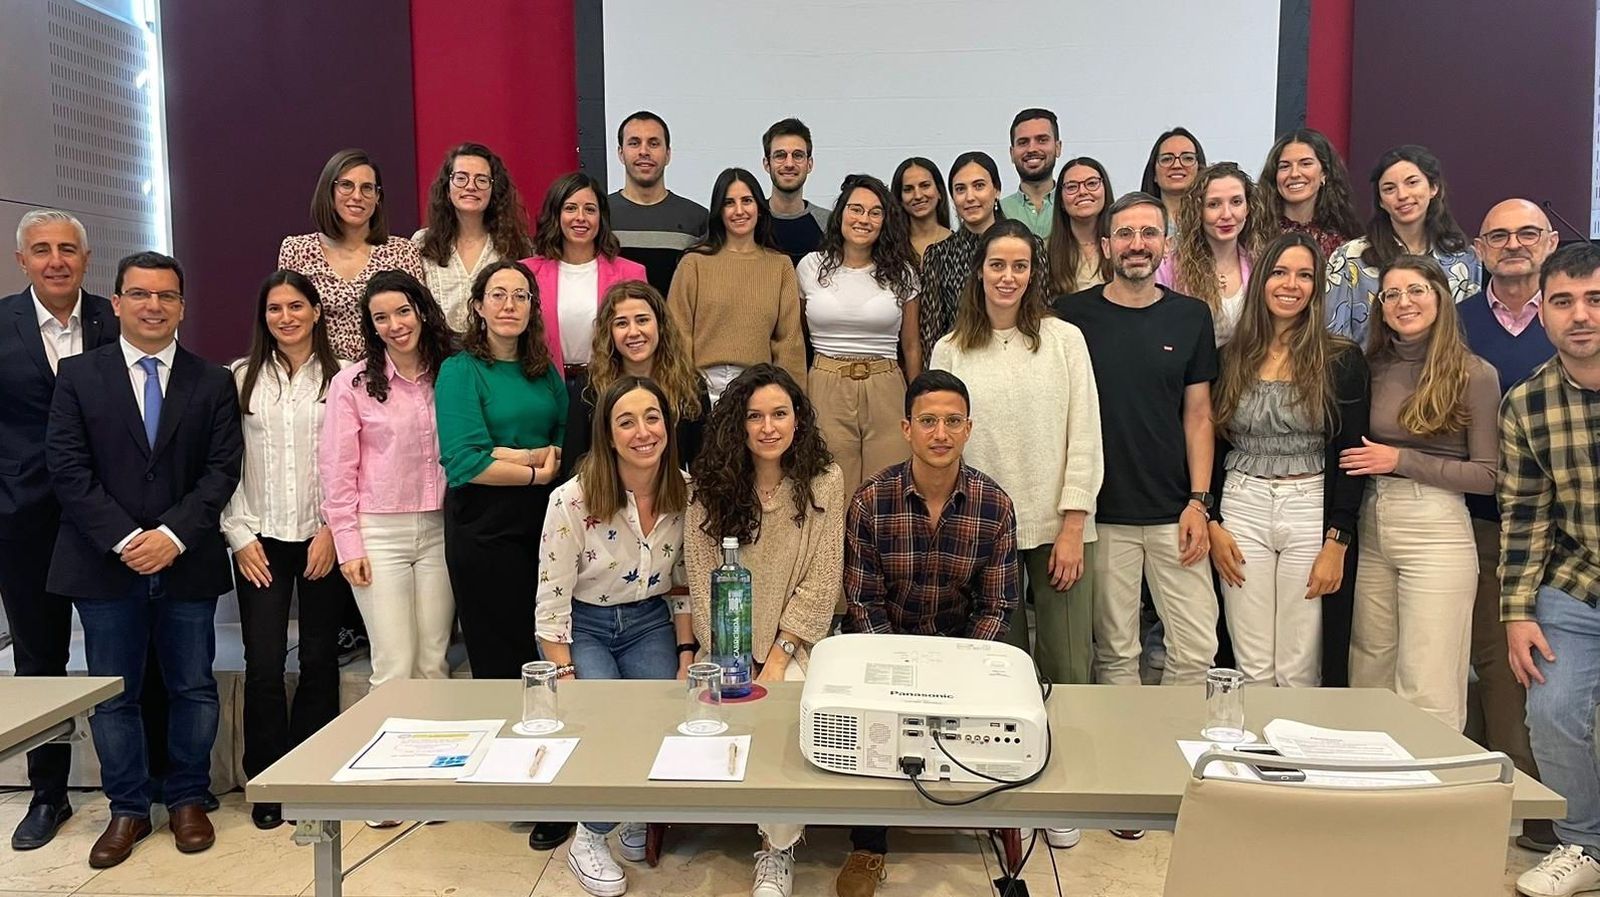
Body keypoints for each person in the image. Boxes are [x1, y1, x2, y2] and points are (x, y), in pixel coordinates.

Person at [46, 251, 243, 867]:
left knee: (193, 687)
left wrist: (173, 536)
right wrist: (128, 539)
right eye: (140, 294)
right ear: (117, 303)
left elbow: (221, 471)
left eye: (166, 296)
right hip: (105, 565)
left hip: (186, 562)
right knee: (114, 694)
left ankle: (187, 798)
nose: (153, 306)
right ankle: (127, 809)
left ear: (182, 306)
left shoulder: (211, 380)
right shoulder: (79, 376)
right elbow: (68, 469)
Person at [838, 369, 1021, 894]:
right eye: (928, 421)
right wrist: (897, 677)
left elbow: (997, 605)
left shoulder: (995, 505)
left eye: (952, 421)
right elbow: (863, 603)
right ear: (906, 428)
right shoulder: (871, 501)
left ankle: (987, 811)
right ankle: (868, 844)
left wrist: (957, 673)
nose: (940, 433)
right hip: (884, 648)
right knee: (871, 722)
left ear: (968, 429)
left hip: (963, 653)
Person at [685, 364, 844, 897]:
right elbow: (705, 583)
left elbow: (823, 581)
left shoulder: (826, 480)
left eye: (780, 413)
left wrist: (776, 657)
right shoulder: (708, 487)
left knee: (793, 709)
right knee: (701, 710)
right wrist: (736, 658)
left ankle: (776, 850)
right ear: (738, 424)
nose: (768, 426)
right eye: (755, 416)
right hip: (724, 645)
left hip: (795, 643)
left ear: (797, 418)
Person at [1054, 192, 1219, 688]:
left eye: (1148, 233)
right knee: (1116, 654)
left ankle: (1179, 750)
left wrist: (1199, 501)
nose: (1137, 244)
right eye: (1125, 234)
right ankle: (1127, 762)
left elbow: (1199, 416)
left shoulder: (1191, 317)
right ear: (1106, 246)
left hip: (1176, 512)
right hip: (1104, 516)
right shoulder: (1070, 316)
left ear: (1166, 245)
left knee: (1196, 649)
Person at [931, 217, 1102, 691]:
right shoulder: (950, 349)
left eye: (1020, 266)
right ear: (979, 271)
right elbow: (942, 447)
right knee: (1000, 672)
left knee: (1068, 669)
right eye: (998, 265)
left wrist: (1072, 524)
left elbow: (1084, 434)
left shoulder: (1065, 340)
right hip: (984, 531)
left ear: (1033, 274)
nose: (1008, 277)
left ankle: (1077, 763)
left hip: (1059, 529)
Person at [536, 376, 691, 897]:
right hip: (587, 625)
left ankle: (628, 809)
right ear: (607, 432)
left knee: (659, 717)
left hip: (650, 619)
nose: (642, 431)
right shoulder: (572, 500)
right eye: (626, 421)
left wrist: (687, 649)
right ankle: (590, 833)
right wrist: (564, 673)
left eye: (652, 418)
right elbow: (551, 602)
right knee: (602, 722)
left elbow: (687, 581)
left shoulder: (686, 491)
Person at [1, 209, 118, 850]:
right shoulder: (0, 324)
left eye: (67, 249)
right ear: (22, 260)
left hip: (106, 520)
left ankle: (134, 787)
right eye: (41, 250)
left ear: (86, 256)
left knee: (119, 655)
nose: (56, 260)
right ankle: (49, 795)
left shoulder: (116, 317)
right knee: (38, 661)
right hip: (25, 522)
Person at [1340, 255, 1499, 730]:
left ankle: (1431, 793)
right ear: (1381, 307)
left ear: (1440, 298)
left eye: (1416, 291)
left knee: (1429, 676)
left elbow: (1488, 475)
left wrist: (1401, 460)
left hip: (1436, 526)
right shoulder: (1369, 366)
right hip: (1374, 518)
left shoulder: (1474, 374)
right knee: (1370, 665)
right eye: (1392, 294)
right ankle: (1371, 788)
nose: (1403, 302)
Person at [1206, 233, 1369, 688]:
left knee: (1299, 667)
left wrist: (1338, 540)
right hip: (1243, 505)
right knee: (1251, 665)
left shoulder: (1341, 358)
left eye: (1304, 275)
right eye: (1279, 272)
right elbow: (1212, 443)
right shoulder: (1229, 357)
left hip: (1309, 504)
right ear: (1261, 281)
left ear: (1318, 287)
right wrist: (1213, 521)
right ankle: (1252, 760)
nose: (1290, 284)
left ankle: (1297, 760)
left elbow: (1352, 455)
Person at [221, 270, 350, 831]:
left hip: (321, 535)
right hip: (259, 538)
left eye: (296, 306)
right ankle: (267, 777)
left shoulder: (343, 378)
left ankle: (311, 771)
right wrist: (239, 535)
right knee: (265, 661)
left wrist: (332, 529)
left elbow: (349, 462)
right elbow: (223, 463)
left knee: (321, 658)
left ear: (317, 312)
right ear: (263, 316)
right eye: (275, 308)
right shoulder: (239, 378)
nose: (286, 317)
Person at [1461, 199, 1561, 852]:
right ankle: (1528, 804)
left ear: (1551, 241)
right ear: (1479, 248)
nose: (1514, 244)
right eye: (1499, 235)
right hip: (1490, 521)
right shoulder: (1461, 321)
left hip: (1576, 524)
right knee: (1505, 663)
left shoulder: (1577, 311)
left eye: (1528, 233)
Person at [1502, 244, 1600, 897]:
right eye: (1563, 301)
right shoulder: (1528, 403)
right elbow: (1526, 517)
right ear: (1543, 314)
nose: (1581, 315)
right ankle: (1586, 844)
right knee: (1553, 706)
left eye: (1595, 298)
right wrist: (1517, 612)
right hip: (1579, 581)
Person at [319, 271, 457, 689]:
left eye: (403, 311)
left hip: (440, 529)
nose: (395, 326)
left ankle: (440, 753)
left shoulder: (451, 374)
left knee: (433, 662)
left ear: (421, 311)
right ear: (371, 325)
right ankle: (391, 753)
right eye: (381, 318)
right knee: (395, 666)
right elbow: (337, 470)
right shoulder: (352, 383)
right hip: (379, 533)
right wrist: (348, 546)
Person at [436, 260, 564, 682]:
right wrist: (532, 467)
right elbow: (466, 462)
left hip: (545, 525)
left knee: (546, 645)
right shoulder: (460, 370)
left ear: (532, 308)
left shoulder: (544, 371)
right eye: (498, 295)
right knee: (500, 657)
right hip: (483, 527)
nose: (509, 305)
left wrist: (505, 453)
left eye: (520, 296)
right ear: (478, 307)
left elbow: (563, 444)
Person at [799, 173, 921, 493]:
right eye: (856, 209)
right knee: (828, 488)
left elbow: (910, 346)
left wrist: (916, 402)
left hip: (886, 386)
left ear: (885, 221)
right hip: (826, 385)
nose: (863, 219)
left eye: (874, 212)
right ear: (840, 214)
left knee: (889, 489)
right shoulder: (810, 267)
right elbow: (795, 338)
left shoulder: (902, 273)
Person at [666, 168, 805, 402]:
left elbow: (789, 343)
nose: (739, 210)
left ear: (760, 208)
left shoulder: (780, 266)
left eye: (747, 201)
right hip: (699, 388)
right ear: (719, 210)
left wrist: (792, 400)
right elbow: (678, 334)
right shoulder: (694, 263)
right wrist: (681, 392)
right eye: (729, 202)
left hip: (759, 390)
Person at [1325, 144, 1482, 344]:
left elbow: (1469, 335)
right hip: (1368, 373)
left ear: (1434, 188)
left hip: (1445, 371)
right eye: (1389, 188)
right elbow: (1334, 338)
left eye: (1412, 182)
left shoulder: (1465, 257)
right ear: (1380, 201)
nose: (1402, 195)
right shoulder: (1350, 257)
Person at [278, 148, 425, 360]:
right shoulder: (297, 250)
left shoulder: (403, 251)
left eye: (367, 188)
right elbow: (287, 322)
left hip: (386, 377)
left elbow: (418, 322)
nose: (357, 196)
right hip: (318, 378)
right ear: (329, 191)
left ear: (377, 198)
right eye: (346, 185)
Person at [520, 172, 647, 400]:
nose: (581, 217)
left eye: (590, 209)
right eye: (570, 208)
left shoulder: (630, 273)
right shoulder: (526, 273)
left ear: (601, 217)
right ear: (556, 214)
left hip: (610, 388)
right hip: (541, 388)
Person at [564, 280, 710, 476]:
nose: (633, 332)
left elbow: (702, 463)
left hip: (671, 496)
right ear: (609, 332)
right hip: (607, 498)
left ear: (660, 325)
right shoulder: (589, 387)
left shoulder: (691, 385)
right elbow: (574, 462)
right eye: (622, 323)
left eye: (642, 320)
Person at [917, 151, 1048, 364]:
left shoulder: (1030, 247)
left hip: (1025, 361)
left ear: (996, 190)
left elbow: (1040, 313)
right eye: (960, 189)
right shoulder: (939, 255)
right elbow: (930, 336)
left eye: (979, 186)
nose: (970, 197)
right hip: (963, 365)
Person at [412, 142, 535, 332]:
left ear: (494, 190)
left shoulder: (518, 245)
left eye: (482, 180)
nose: (471, 186)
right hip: (436, 356)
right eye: (461, 178)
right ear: (447, 188)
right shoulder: (422, 243)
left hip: (497, 354)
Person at [1155, 162, 1267, 347]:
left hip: (1246, 372)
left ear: (1248, 208)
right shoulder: (1169, 266)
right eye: (1214, 204)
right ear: (1198, 210)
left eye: (1236, 202)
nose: (1226, 214)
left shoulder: (1260, 262)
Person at [608, 111, 710, 294]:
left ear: (668, 154)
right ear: (620, 153)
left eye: (653, 143)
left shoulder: (696, 218)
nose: (644, 151)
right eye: (634, 143)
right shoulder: (600, 215)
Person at [1255, 128, 1361, 259]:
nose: (1294, 174)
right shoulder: (1254, 236)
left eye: (1305, 164)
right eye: (1284, 166)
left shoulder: (1345, 244)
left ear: (1324, 173)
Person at [762, 118, 830, 266]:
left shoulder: (828, 224)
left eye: (798, 155)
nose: (789, 164)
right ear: (767, 164)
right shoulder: (752, 221)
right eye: (780, 155)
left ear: (809, 164)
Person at [1046, 157, 1114, 295]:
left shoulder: (1124, 245)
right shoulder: (1044, 250)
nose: (1082, 192)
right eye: (1072, 187)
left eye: (1092, 183)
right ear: (1061, 201)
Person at [998, 108, 1062, 238]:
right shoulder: (998, 211)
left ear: (1058, 148)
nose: (1032, 149)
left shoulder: (1073, 206)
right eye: (1023, 142)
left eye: (1042, 140)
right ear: (1012, 153)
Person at [1138, 127, 1206, 236]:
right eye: (1167, 159)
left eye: (1187, 158)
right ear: (1154, 173)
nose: (1177, 165)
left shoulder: (1213, 220)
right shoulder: (1137, 222)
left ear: (1200, 169)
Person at [891, 156, 952, 260]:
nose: (918, 196)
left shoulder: (960, 246)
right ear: (899, 199)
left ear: (939, 192)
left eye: (925, 186)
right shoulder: (890, 249)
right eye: (908, 189)